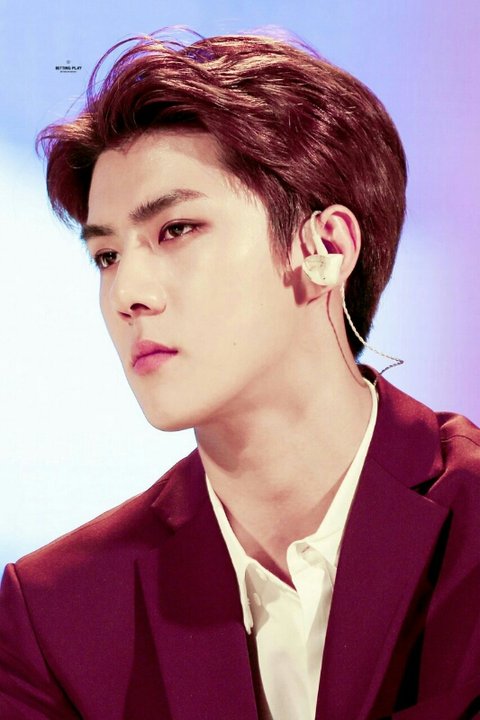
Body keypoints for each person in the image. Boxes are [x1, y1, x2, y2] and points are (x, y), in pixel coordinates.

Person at [0, 29, 479, 720]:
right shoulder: (57, 615)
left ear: (325, 247)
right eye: (106, 256)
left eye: (176, 230)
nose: (127, 292)